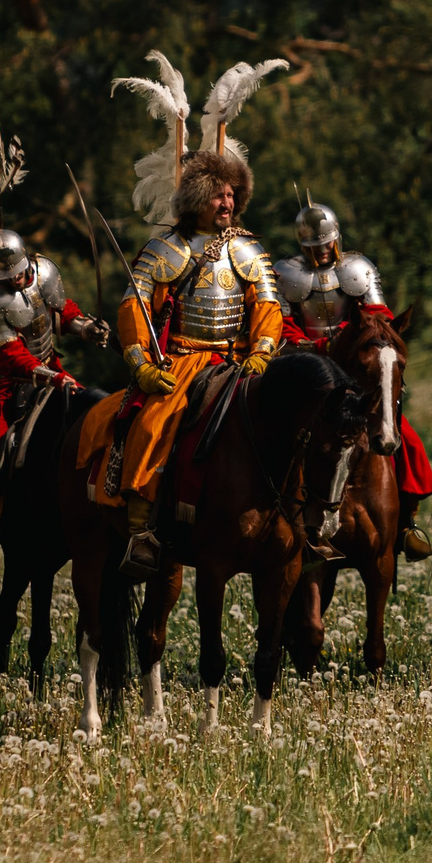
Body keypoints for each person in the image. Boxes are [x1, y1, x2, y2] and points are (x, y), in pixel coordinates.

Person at [93, 145, 285, 573]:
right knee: (151, 423)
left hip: (241, 363)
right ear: (197, 198)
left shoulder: (250, 250)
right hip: (182, 360)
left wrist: (262, 352)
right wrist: (141, 364)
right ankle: (141, 531)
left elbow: (269, 310)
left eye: (233, 195)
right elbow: (133, 310)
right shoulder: (164, 249)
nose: (228, 203)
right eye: (219, 195)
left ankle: (304, 526)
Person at [274, 199, 432, 560]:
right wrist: (314, 344)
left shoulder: (358, 269)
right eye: (312, 246)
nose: (320, 251)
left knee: (400, 433)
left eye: (325, 243)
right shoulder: (286, 274)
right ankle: (281, 512)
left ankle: (407, 520)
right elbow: (281, 325)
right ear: (303, 245)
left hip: (357, 369)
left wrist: (354, 340)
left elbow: (379, 317)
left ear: (337, 240)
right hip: (309, 366)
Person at [0, 229, 105, 569]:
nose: (16, 280)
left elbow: (63, 311)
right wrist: (51, 377)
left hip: (54, 372)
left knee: (94, 421)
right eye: (8, 277)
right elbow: (10, 356)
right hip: (5, 384)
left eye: (19, 273)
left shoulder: (45, 273)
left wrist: (86, 328)